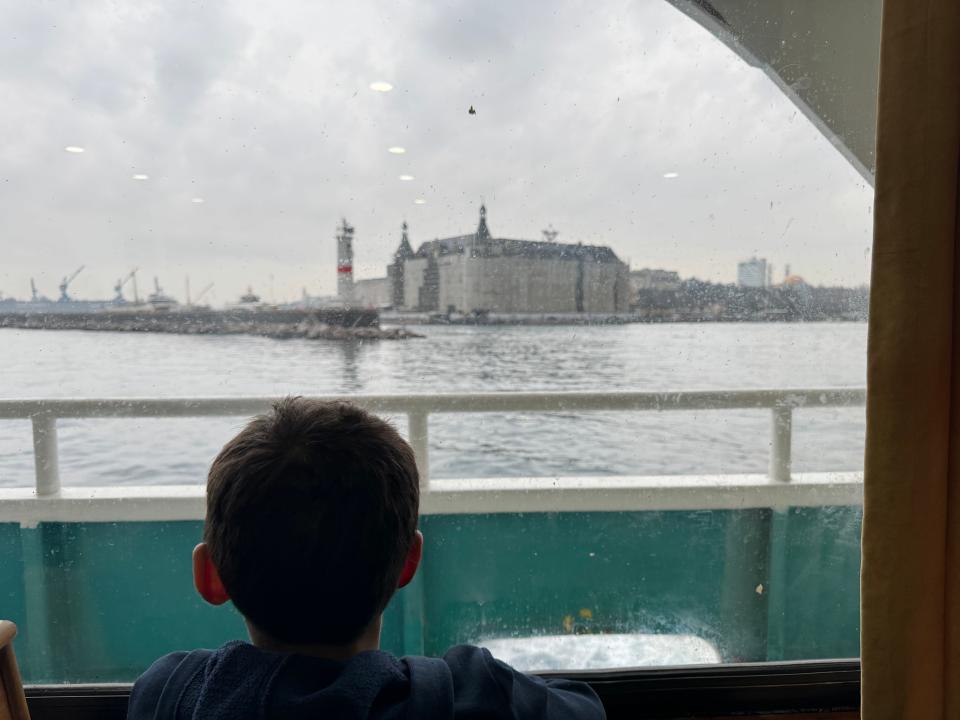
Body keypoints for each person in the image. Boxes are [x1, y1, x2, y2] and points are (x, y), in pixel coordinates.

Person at [128, 397, 605, 719]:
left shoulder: (170, 692)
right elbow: (586, 709)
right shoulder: (471, 695)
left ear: (209, 577)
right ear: (408, 562)